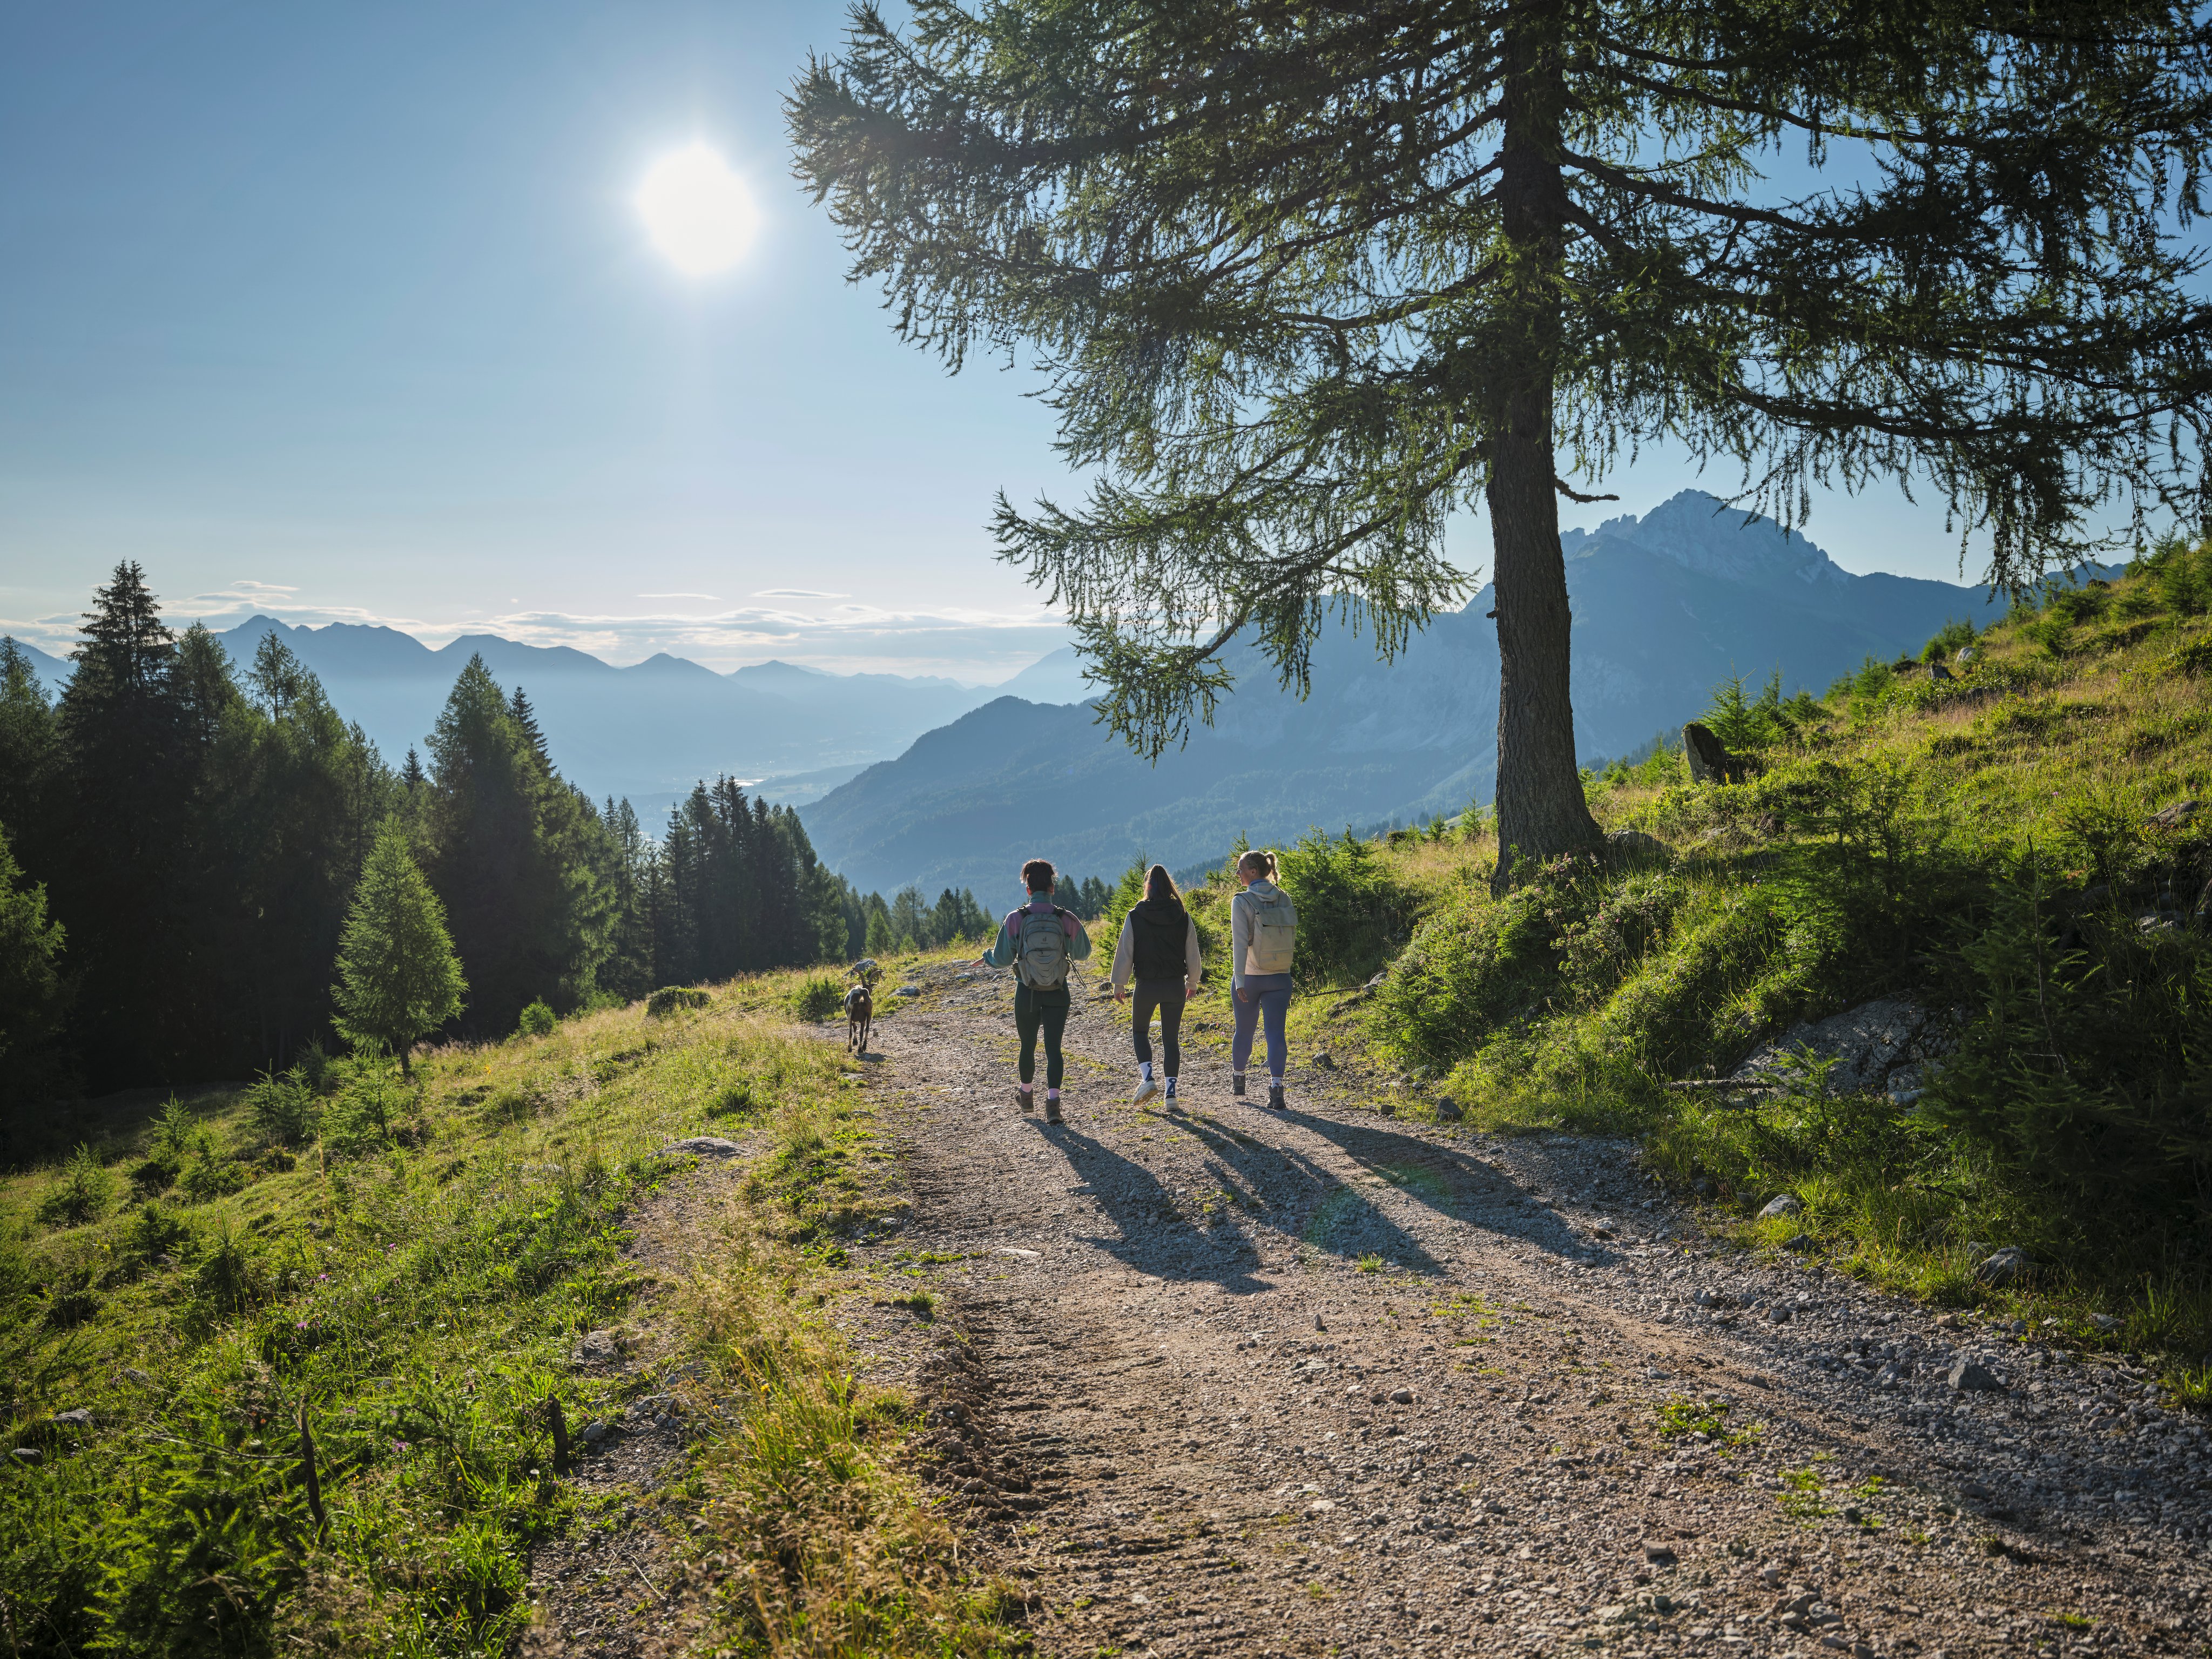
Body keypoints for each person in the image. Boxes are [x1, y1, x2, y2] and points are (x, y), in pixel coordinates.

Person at [977, 858, 1092, 1122]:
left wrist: (987, 956)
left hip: (1026, 992)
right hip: (1057, 991)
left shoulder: (1016, 919)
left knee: (1027, 1045)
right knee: (1054, 1048)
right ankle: (1053, 1106)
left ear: (1028, 889)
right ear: (1052, 888)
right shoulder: (1066, 918)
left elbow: (1003, 959)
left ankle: (1026, 1096)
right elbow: (1084, 954)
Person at [1109, 864, 1203, 1104]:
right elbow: (1192, 952)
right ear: (1170, 887)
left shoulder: (1135, 915)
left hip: (1147, 986)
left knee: (1140, 1032)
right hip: (1174, 986)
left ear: (1148, 887)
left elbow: (1125, 951)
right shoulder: (1182, 915)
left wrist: (1119, 984)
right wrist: (1192, 980)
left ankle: (1148, 1079)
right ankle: (1171, 1094)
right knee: (1171, 1040)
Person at [1230, 848, 1297, 1109]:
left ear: (1253, 872)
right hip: (1281, 975)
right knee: (1276, 1033)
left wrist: (1240, 980)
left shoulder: (1241, 901)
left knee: (1245, 1031)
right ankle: (1277, 1089)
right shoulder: (1284, 897)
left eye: (1241, 869)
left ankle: (1239, 1081)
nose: (1238, 873)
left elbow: (1239, 944)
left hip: (1251, 975)